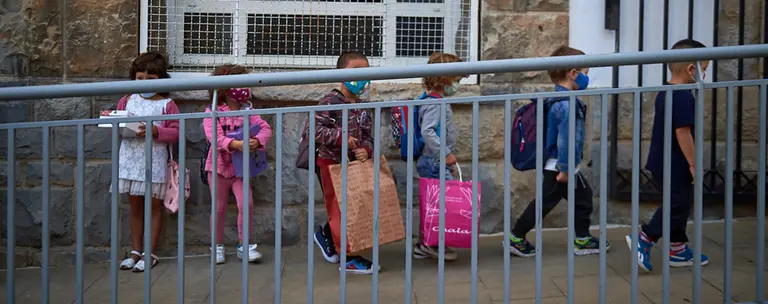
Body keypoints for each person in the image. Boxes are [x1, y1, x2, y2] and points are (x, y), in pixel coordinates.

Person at [507, 46, 609, 257]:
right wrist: (564, 168)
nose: (586, 78)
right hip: (560, 166)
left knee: (578, 198)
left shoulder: (557, 99)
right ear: (573, 74)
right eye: (585, 73)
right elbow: (565, 139)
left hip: (559, 164)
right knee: (549, 203)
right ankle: (517, 237)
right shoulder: (567, 104)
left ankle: (580, 238)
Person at [626, 39, 710, 272]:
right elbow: (682, 132)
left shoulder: (667, 90)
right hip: (675, 162)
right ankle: (645, 237)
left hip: (664, 160)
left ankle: (678, 249)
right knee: (675, 204)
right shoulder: (683, 95)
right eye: (703, 69)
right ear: (691, 69)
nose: (704, 74)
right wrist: (694, 163)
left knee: (680, 204)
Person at [312, 51, 378, 274]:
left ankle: (326, 235)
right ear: (341, 74)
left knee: (352, 208)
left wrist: (366, 150)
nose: (361, 77)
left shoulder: (361, 105)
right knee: (341, 210)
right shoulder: (329, 101)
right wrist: (341, 138)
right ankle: (347, 258)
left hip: (354, 166)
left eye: (365, 72)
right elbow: (314, 129)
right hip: (331, 164)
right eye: (355, 72)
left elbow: (368, 135)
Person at [114, 51, 180, 272]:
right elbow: (116, 125)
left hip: (155, 161)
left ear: (161, 79)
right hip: (130, 159)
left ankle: (149, 253)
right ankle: (134, 251)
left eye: (150, 80)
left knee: (154, 207)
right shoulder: (126, 100)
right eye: (140, 78)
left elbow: (177, 132)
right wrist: (114, 124)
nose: (144, 83)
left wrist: (155, 130)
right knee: (134, 207)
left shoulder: (167, 105)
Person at [203, 64, 273, 264]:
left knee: (246, 204)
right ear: (224, 88)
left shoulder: (248, 110)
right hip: (218, 167)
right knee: (218, 208)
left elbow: (264, 128)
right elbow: (213, 136)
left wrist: (257, 140)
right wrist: (234, 144)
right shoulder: (213, 110)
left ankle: (244, 244)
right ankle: (216, 246)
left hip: (241, 168)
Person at [412, 52, 462, 261]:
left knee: (434, 204)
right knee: (440, 205)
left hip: (434, 160)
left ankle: (424, 244)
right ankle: (432, 244)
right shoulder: (434, 102)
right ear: (445, 79)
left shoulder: (435, 99)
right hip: (435, 160)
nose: (458, 84)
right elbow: (428, 131)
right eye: (457, 79)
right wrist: (446, 154)